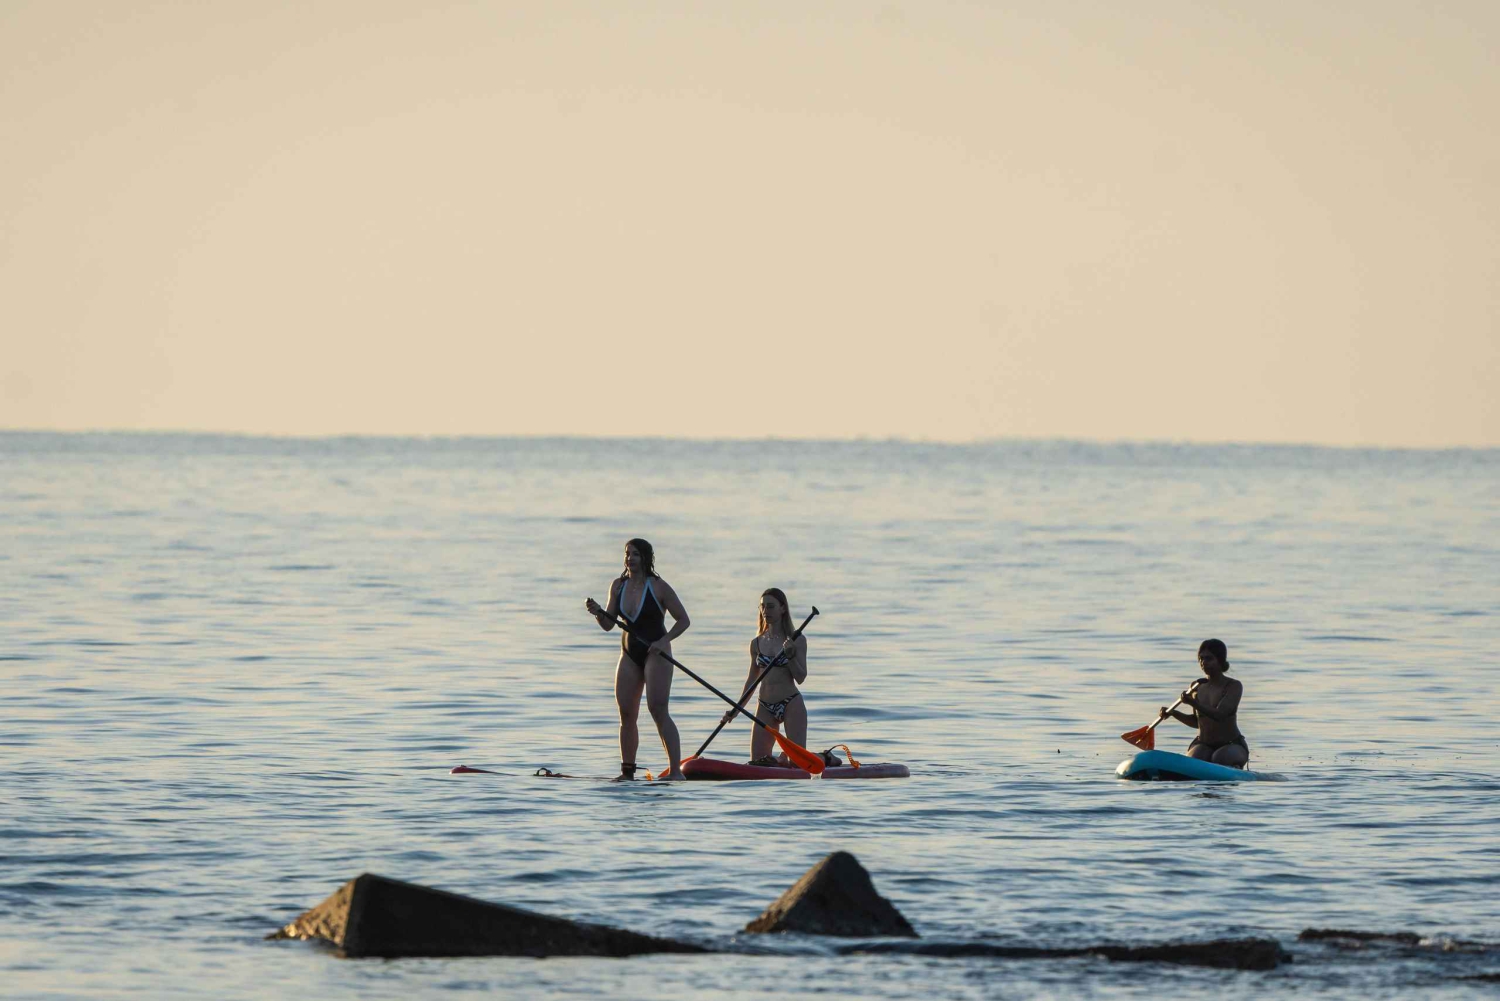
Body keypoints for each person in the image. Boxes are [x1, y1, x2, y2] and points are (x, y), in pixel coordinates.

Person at [584, 539, 690, 781]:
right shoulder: (618, 586)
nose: (630, 558)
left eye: (636, 554)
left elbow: (683, 620)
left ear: (646, 558)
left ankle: (675, 772)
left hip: (657, 653)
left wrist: (663, 641)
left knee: (658, 709)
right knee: (626, 713)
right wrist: (598, 613)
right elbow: (608, 625)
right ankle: (627, 772)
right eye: (627, 554)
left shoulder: (659, 587)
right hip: (629, 653)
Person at [722, 588, 809, 767]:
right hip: (765, 706)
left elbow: (801, 678)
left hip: (791, 703)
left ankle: (825, 757)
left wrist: (790, 656)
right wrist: (736, 710)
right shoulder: (756, 643)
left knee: (798, 764)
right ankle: (780, 760)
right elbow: (751, 682)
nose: (765, 611)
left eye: (770, 606)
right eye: (762, 606)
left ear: (782, 609)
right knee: (757, 763)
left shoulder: (797, 640)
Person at [1158, 638, 1248, 768]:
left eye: (1209, 658)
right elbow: (1197, 722)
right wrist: (1173, 713)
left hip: (1231, 744)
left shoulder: (1233, 686)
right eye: (1201, 658)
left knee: (1218, 758)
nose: (1203, 662)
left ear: (1220, 660)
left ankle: (1234, 767)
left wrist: (1193, 703)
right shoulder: (1196, 686)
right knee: (1194, 761)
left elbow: (1220, 715)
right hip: (1203, 744)